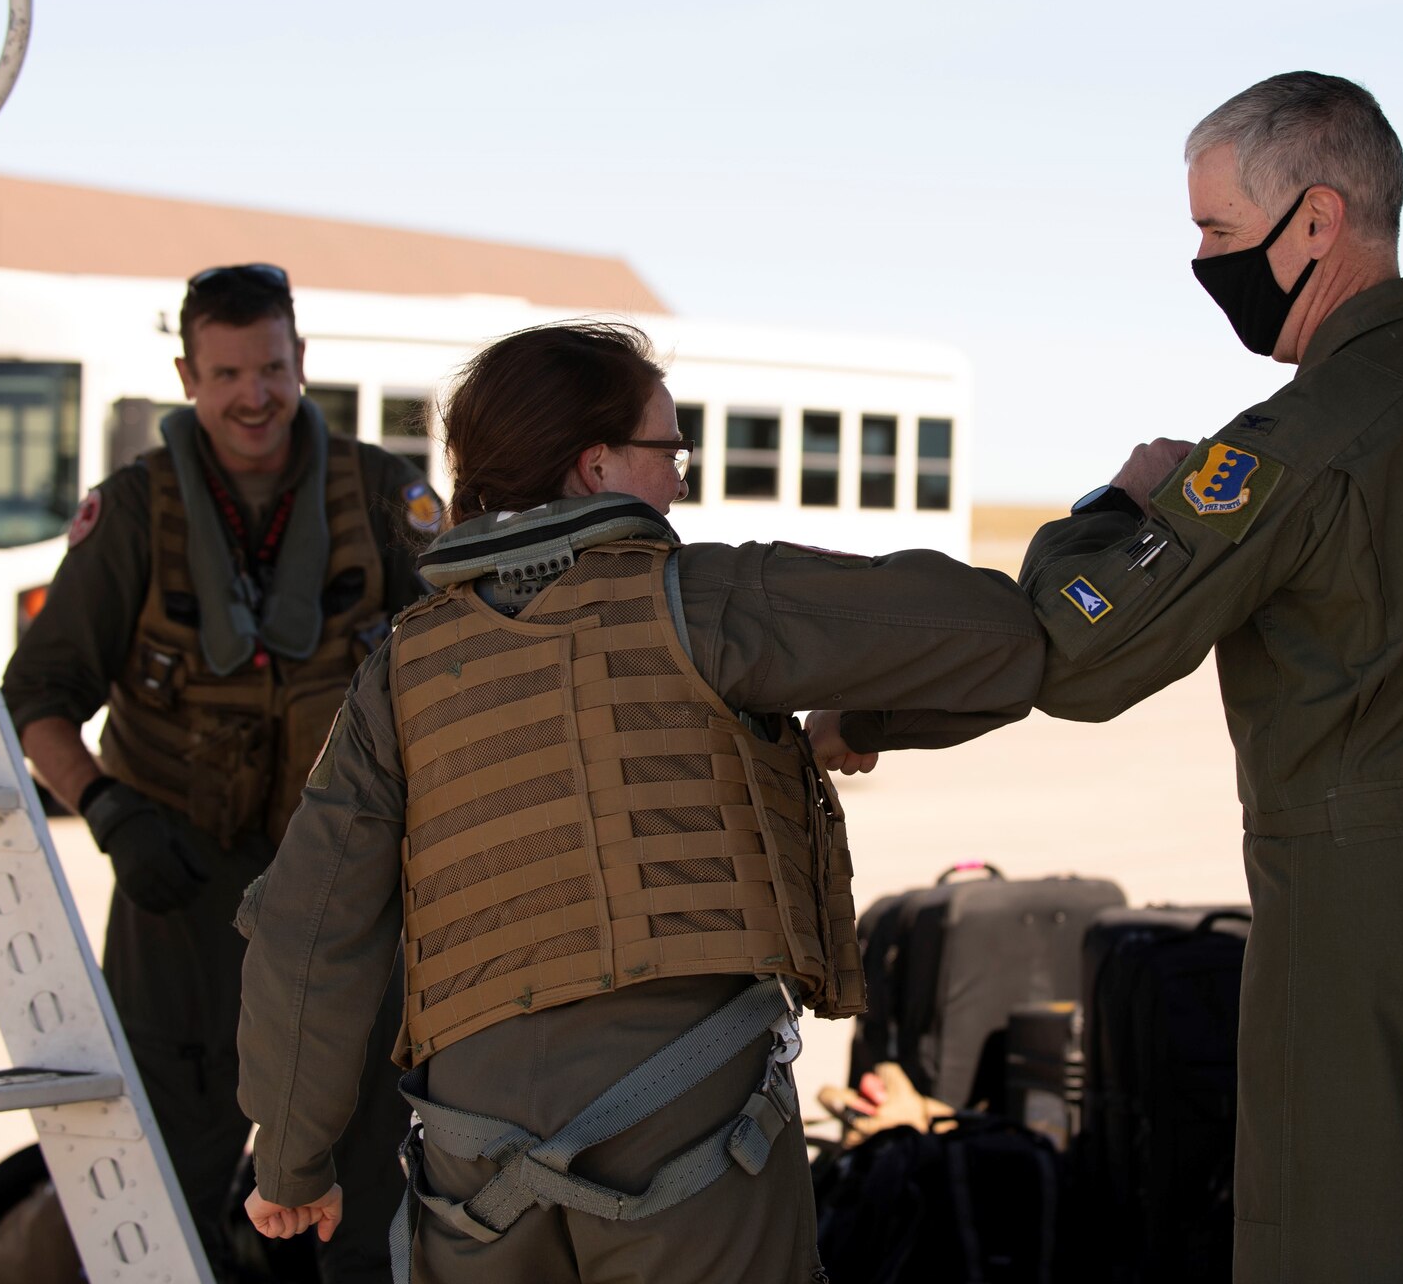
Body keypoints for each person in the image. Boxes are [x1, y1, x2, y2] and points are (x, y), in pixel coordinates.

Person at [980, 72, 1403, 1281]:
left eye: (1217, 232)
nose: (1200, 260)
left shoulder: (1300, 438)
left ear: (1318, 222)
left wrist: (1112, 507)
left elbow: (1083, 651)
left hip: (1372, 936)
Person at [234, 321, 1047, 1283]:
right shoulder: (707, 600)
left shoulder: (402, 670)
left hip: (471, 1158)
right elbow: (1000, 641)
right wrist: (860, 722)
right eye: (670, 451)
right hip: (690, 1125)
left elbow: (309, 926)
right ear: (596, 465)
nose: (680, 481)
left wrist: (292, 1162)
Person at [0, 263, 434, 1280]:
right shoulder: (134, 511)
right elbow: (40, 694)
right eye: (229, 371)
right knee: (162, 1169)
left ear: (300, 363)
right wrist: (107, 810)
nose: (255, 396)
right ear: (188, 374)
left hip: (348, 891)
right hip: (178, 883)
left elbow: (461, 665)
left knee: (362, 1168)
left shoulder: (382, 499)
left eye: (272, 368)